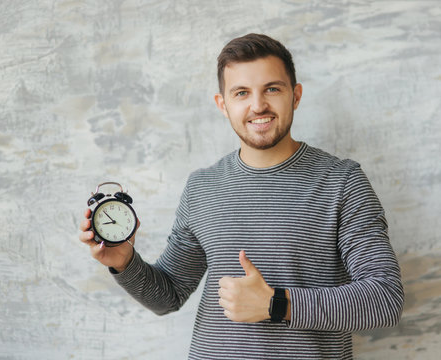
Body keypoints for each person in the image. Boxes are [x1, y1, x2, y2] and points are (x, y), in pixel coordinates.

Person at [79, 33, 404, 360]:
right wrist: (124, 262)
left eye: (272, 89)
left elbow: (385, 300)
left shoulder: (341, 181)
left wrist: (276, 304)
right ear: (223, 104)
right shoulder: (201, 187)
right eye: (242, 93)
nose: (258, 105)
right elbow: (169, 295)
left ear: (296, 95)